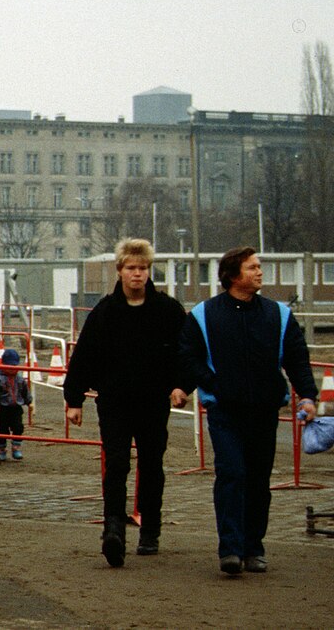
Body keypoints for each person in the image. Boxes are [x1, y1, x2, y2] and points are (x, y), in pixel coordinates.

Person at [173, 246, 317, 576]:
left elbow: (296, 358)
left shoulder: (278, 315)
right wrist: (203, 384)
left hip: (265, 411)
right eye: (253, 267)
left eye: (259, 266)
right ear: (234, 275)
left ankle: (254, 547)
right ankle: (231, 549)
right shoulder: (204, 315)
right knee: (232, 473)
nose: (259, 272)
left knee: (257, 481)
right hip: (224, 412)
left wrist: (307, 396)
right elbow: (188, 356)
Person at [63, 238, 185, 567]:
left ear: (149, 271)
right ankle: (113, 529)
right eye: (131, 268)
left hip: (153, 401)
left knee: (151, 465)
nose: (137, 274)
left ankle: (150, 529)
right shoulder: (106, 311)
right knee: (116, 464)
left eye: (143, 268)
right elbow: (84, 356)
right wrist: (74, 399)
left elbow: (184, 352)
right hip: (114, 401)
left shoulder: (168, 311)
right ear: (119, 271)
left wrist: (181, 385)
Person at [0, 347, 32, 461]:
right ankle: (1, 449)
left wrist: (29, 402)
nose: (12, 369)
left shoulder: (20, 379)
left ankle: (16, 447)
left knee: (18, 427)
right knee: (3, 429)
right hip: (3, 408)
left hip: (16, 407)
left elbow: (25, 391)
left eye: (14, 366)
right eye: (10, 366)